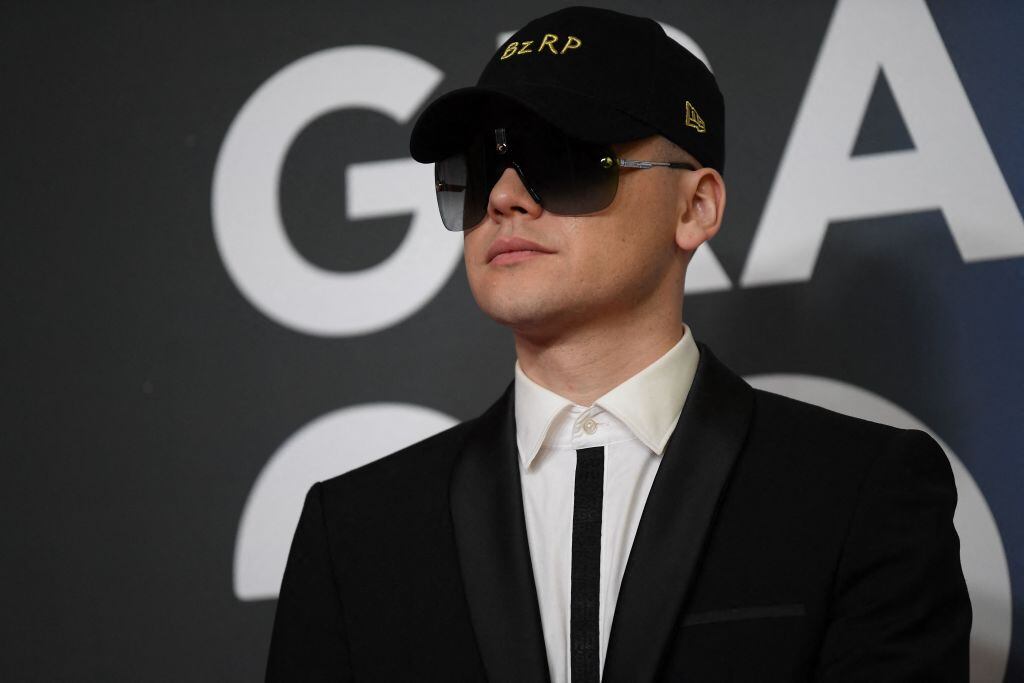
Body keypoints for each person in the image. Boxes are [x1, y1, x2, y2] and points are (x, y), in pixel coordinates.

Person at [266, 6, 971, 682]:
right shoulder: (356, 532)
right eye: (480, 169)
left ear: (696, 206)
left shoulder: (856, 493)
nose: (505, 198)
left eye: (563, 157)